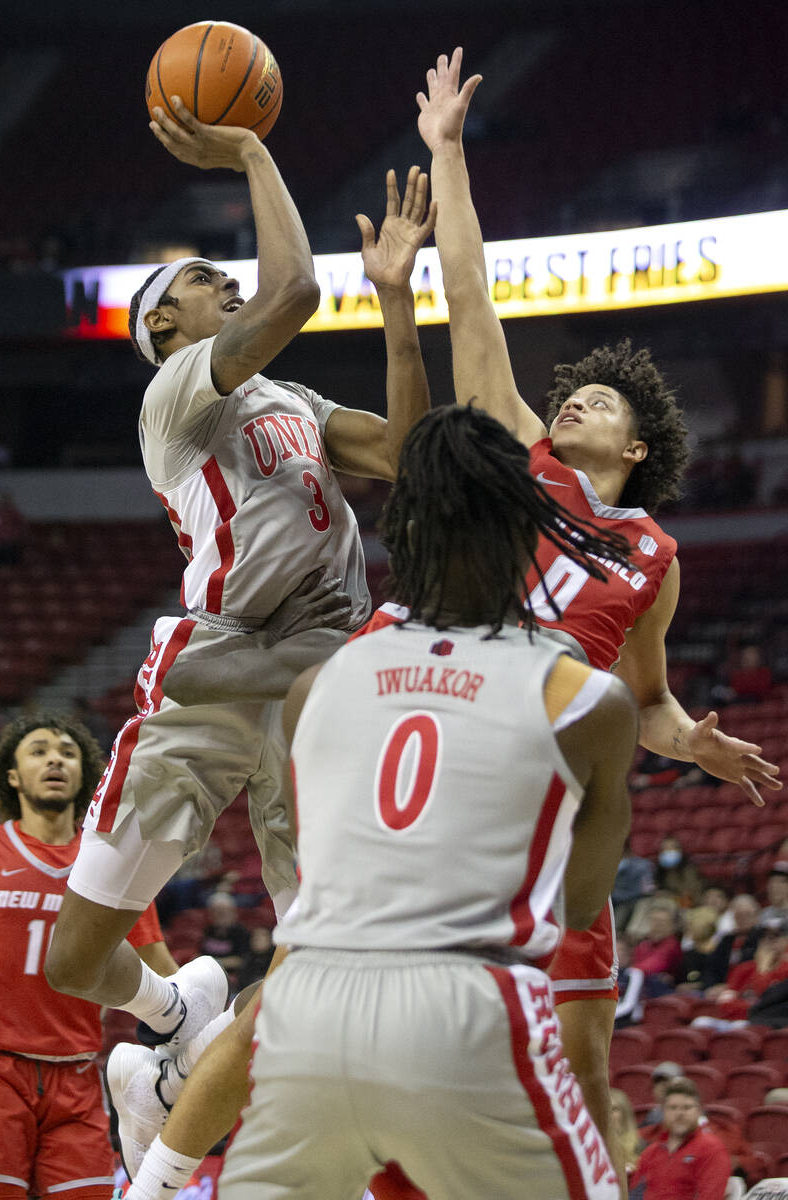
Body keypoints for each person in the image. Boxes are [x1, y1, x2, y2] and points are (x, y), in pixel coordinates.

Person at [412, 47, 781, 1192]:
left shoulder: (654, 554)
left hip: (566, 793)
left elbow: (653, 700)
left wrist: (691, 744)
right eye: (571, 389)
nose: (573, 396)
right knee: (434, 1044)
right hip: (475, 742)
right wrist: (449, 157)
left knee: (578, 1053)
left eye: (600, 402)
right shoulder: (526, 465)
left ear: (630, 450)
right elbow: (469, 298)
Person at [43, 89, 437, 1160]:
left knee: (328, 955)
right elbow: (300, 284)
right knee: (74, 963)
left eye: (226, 275)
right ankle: (170, 1020)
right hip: (217, 676)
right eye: (201, 281)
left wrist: (396, 304)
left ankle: (198, 1132)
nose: (226, 280)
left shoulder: (296, 401)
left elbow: (406, 454)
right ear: (162, 326)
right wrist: (253, 150)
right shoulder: (175, 395)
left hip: (328, 686)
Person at [123, 404, 639, 1199]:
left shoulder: (314, 689)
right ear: (524, 533)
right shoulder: (586, 699)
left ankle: (152, 1182)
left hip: (315, 1018)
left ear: (400, 533)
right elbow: (575, 905)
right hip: (469, 1013)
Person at [0, 712, 177, 1200]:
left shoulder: (112, 867)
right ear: (12, 776)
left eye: (68, 752)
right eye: (39, 750)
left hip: (77, 1076)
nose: (55, 758)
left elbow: (162, 971)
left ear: (86, 774)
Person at [630, 1077, 731, 1200]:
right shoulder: (651, 1152)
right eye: (673, 1108)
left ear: (699, 1112)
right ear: (663, 1112)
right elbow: (634, 1194)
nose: (679, 1113)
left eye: (687, 1108)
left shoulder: (711, 1149)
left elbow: (710, 1197)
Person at [198, 892, 251, 982]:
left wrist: (212, 963)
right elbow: (200, 955)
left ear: (233, 912)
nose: (220, 915)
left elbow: (240, 961)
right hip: (209, 976)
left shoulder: (241, 932)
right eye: (216, 912)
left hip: (232, 978)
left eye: (224, 912)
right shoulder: (209, 931)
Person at [653, 836, 706, 907]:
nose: (668, 852)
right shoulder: (658, 871)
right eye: (664, 849)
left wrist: (668, 895)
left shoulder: (689, 870)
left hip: (685, 906)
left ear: (680, 851)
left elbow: (690, 896)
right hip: (662, 906)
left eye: (672, 848)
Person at [609, 1089, 644, 1178]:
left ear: (625, 1113)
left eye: (614, 1109)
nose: (609, 1115)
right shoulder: (594, 1146)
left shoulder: (640, 1145)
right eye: (605, 1110)